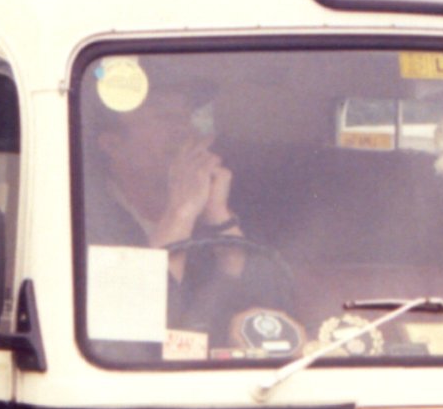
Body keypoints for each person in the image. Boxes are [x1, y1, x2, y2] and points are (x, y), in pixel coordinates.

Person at [85, 75, 290, 344]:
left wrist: (220, 218)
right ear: (112, 145)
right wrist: (180, 211)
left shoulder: (225, 211)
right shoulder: (84, 218)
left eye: (185, 117)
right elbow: (127, 330)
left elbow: (275, 317)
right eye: (162, 117)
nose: (182, 131)